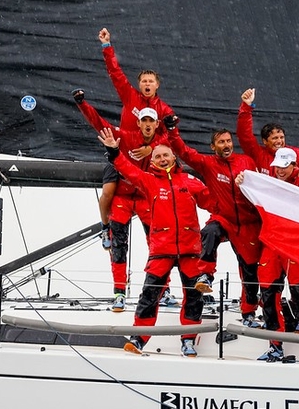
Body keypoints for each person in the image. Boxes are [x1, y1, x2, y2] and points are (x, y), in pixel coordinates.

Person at [98, 127, 211, 358]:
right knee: (149, 295)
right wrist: (114, 152)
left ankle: (188, 340)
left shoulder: (190, 181)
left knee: (193, 297)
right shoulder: (149, 181)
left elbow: (214, 202)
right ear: (153, 161)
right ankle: (139, 338)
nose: (161, 159)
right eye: (157, 156)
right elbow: (128, 170)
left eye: (165, 155)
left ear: (173, 157)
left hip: (190, 250)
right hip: (162, 250)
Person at [72, 91, 168, 311]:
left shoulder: (162, 144)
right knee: (119, 244)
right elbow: (99, 123)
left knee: (159, 244)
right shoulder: (125, 136)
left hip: (145, 198)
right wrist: (82, 103)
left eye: (150, 121)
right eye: (143, 120)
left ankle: (164, 290)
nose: (147, 124)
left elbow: (176, 143)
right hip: (122, 197)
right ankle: (118, 292)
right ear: (138, 122)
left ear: (156, 124)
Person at [164, 115, 263, 328]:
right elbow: (183, 151)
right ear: (213, 146)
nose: (226, 145)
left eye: (228, 141)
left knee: (250, 272)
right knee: (209, 232)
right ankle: (206, 276)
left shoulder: (246, 161)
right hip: (224, 218)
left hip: (248, 224)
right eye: (221, 142)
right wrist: (172, 130)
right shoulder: (207, 163)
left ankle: (249, 312)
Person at [238, 148, 299, 363]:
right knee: (268, 295)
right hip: (273, 244)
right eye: (278, 166)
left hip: (296, 245)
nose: (281, 170)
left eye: (285, 166)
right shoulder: (269, 182)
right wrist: (243, 180)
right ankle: (275, 346)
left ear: (294, 165)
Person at [95, 28, 174, 252]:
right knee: (108, 194)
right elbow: (115, 73)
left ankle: (162, 266)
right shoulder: (130, 97)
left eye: (151, 81)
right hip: (121, 156)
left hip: (148, 163)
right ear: (140, 85)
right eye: (144, 81)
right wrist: (106, 46)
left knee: (157, 205)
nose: (147, 84)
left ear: (157, 85)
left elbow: (172, 135)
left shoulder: (165, 109)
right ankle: (104, 226)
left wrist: (152, 148)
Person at [236, 88, 299, 176]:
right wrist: (246, 106)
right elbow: (244, 136)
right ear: (265, 141)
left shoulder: (298, 154)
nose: (279, 141)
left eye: (281, 137)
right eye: (275, 138)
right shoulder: (259, 154)